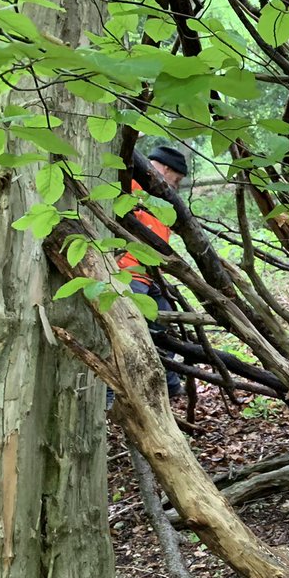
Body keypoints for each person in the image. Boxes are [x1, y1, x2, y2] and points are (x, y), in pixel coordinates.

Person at [120, 145, 189, 399]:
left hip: (152, 274)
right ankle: (136, 389)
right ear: (166, 169)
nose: (177, 185)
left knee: (166, 320)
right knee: (132, 330)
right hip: (130, 270)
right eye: (177, 179)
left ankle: (166, 384)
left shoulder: (161, 199)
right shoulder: (132, 185)